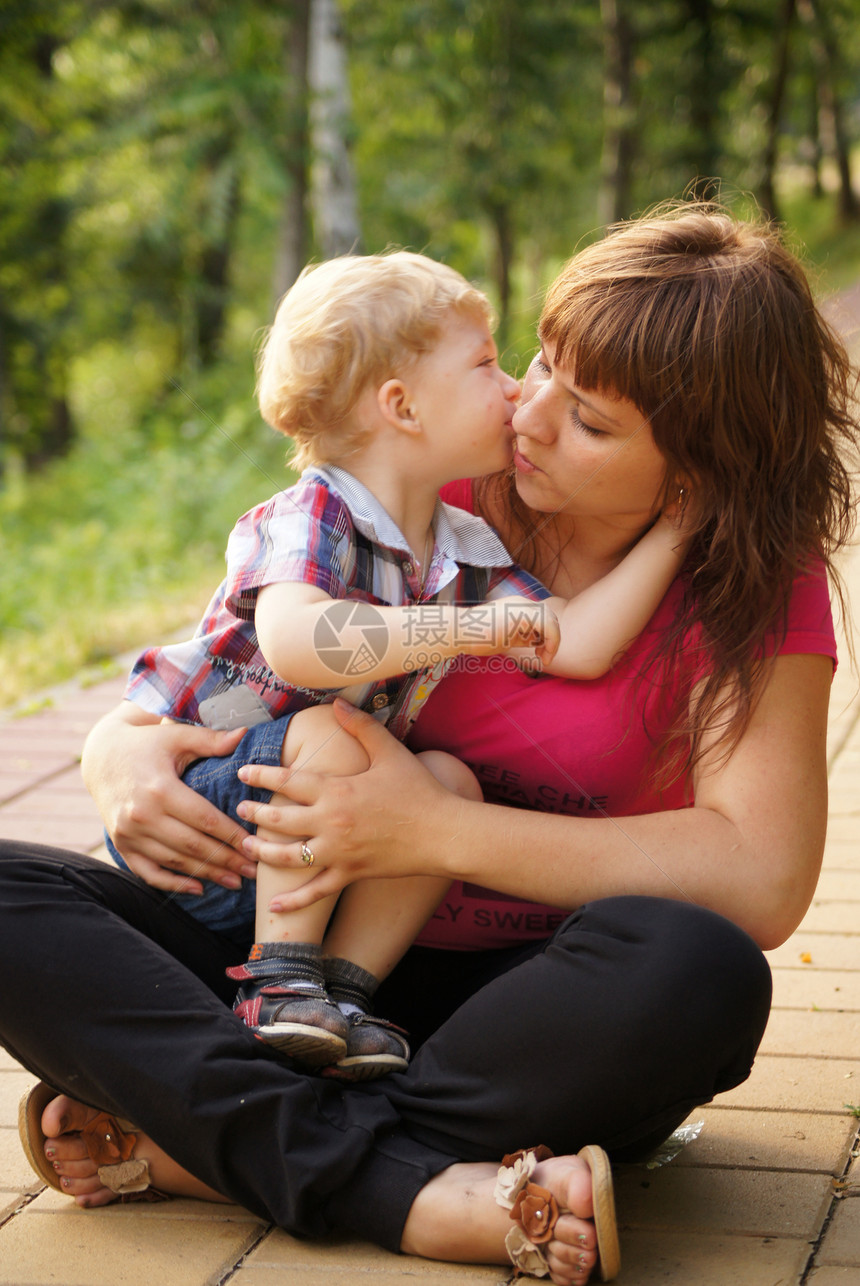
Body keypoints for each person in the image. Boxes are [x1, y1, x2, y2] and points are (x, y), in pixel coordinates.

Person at [2, 201, 856, 1286]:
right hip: (282, 966)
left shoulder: (745, 588)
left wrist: (437, 831)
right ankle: (403, 1179)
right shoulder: (437, 483)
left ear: (693, 474)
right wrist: (115, 753)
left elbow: (761, 875)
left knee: (702, 973)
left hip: (512, 1008)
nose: (530, 415)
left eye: (589, 421)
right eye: (539, 364)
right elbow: (238, 658)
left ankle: (216, 1142)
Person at [110, 251, 689, 1080]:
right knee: (330, 731)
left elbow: (572, 638)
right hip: (210, 811)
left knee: (444, 783)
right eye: (489, 364)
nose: (517, 392)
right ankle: (276, 982)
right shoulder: (316, 509)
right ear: (402, 405)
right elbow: (298, 642)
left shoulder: (459, 548)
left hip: (312, 835)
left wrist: (682, 522)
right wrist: (472, 631)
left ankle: (341, 997)